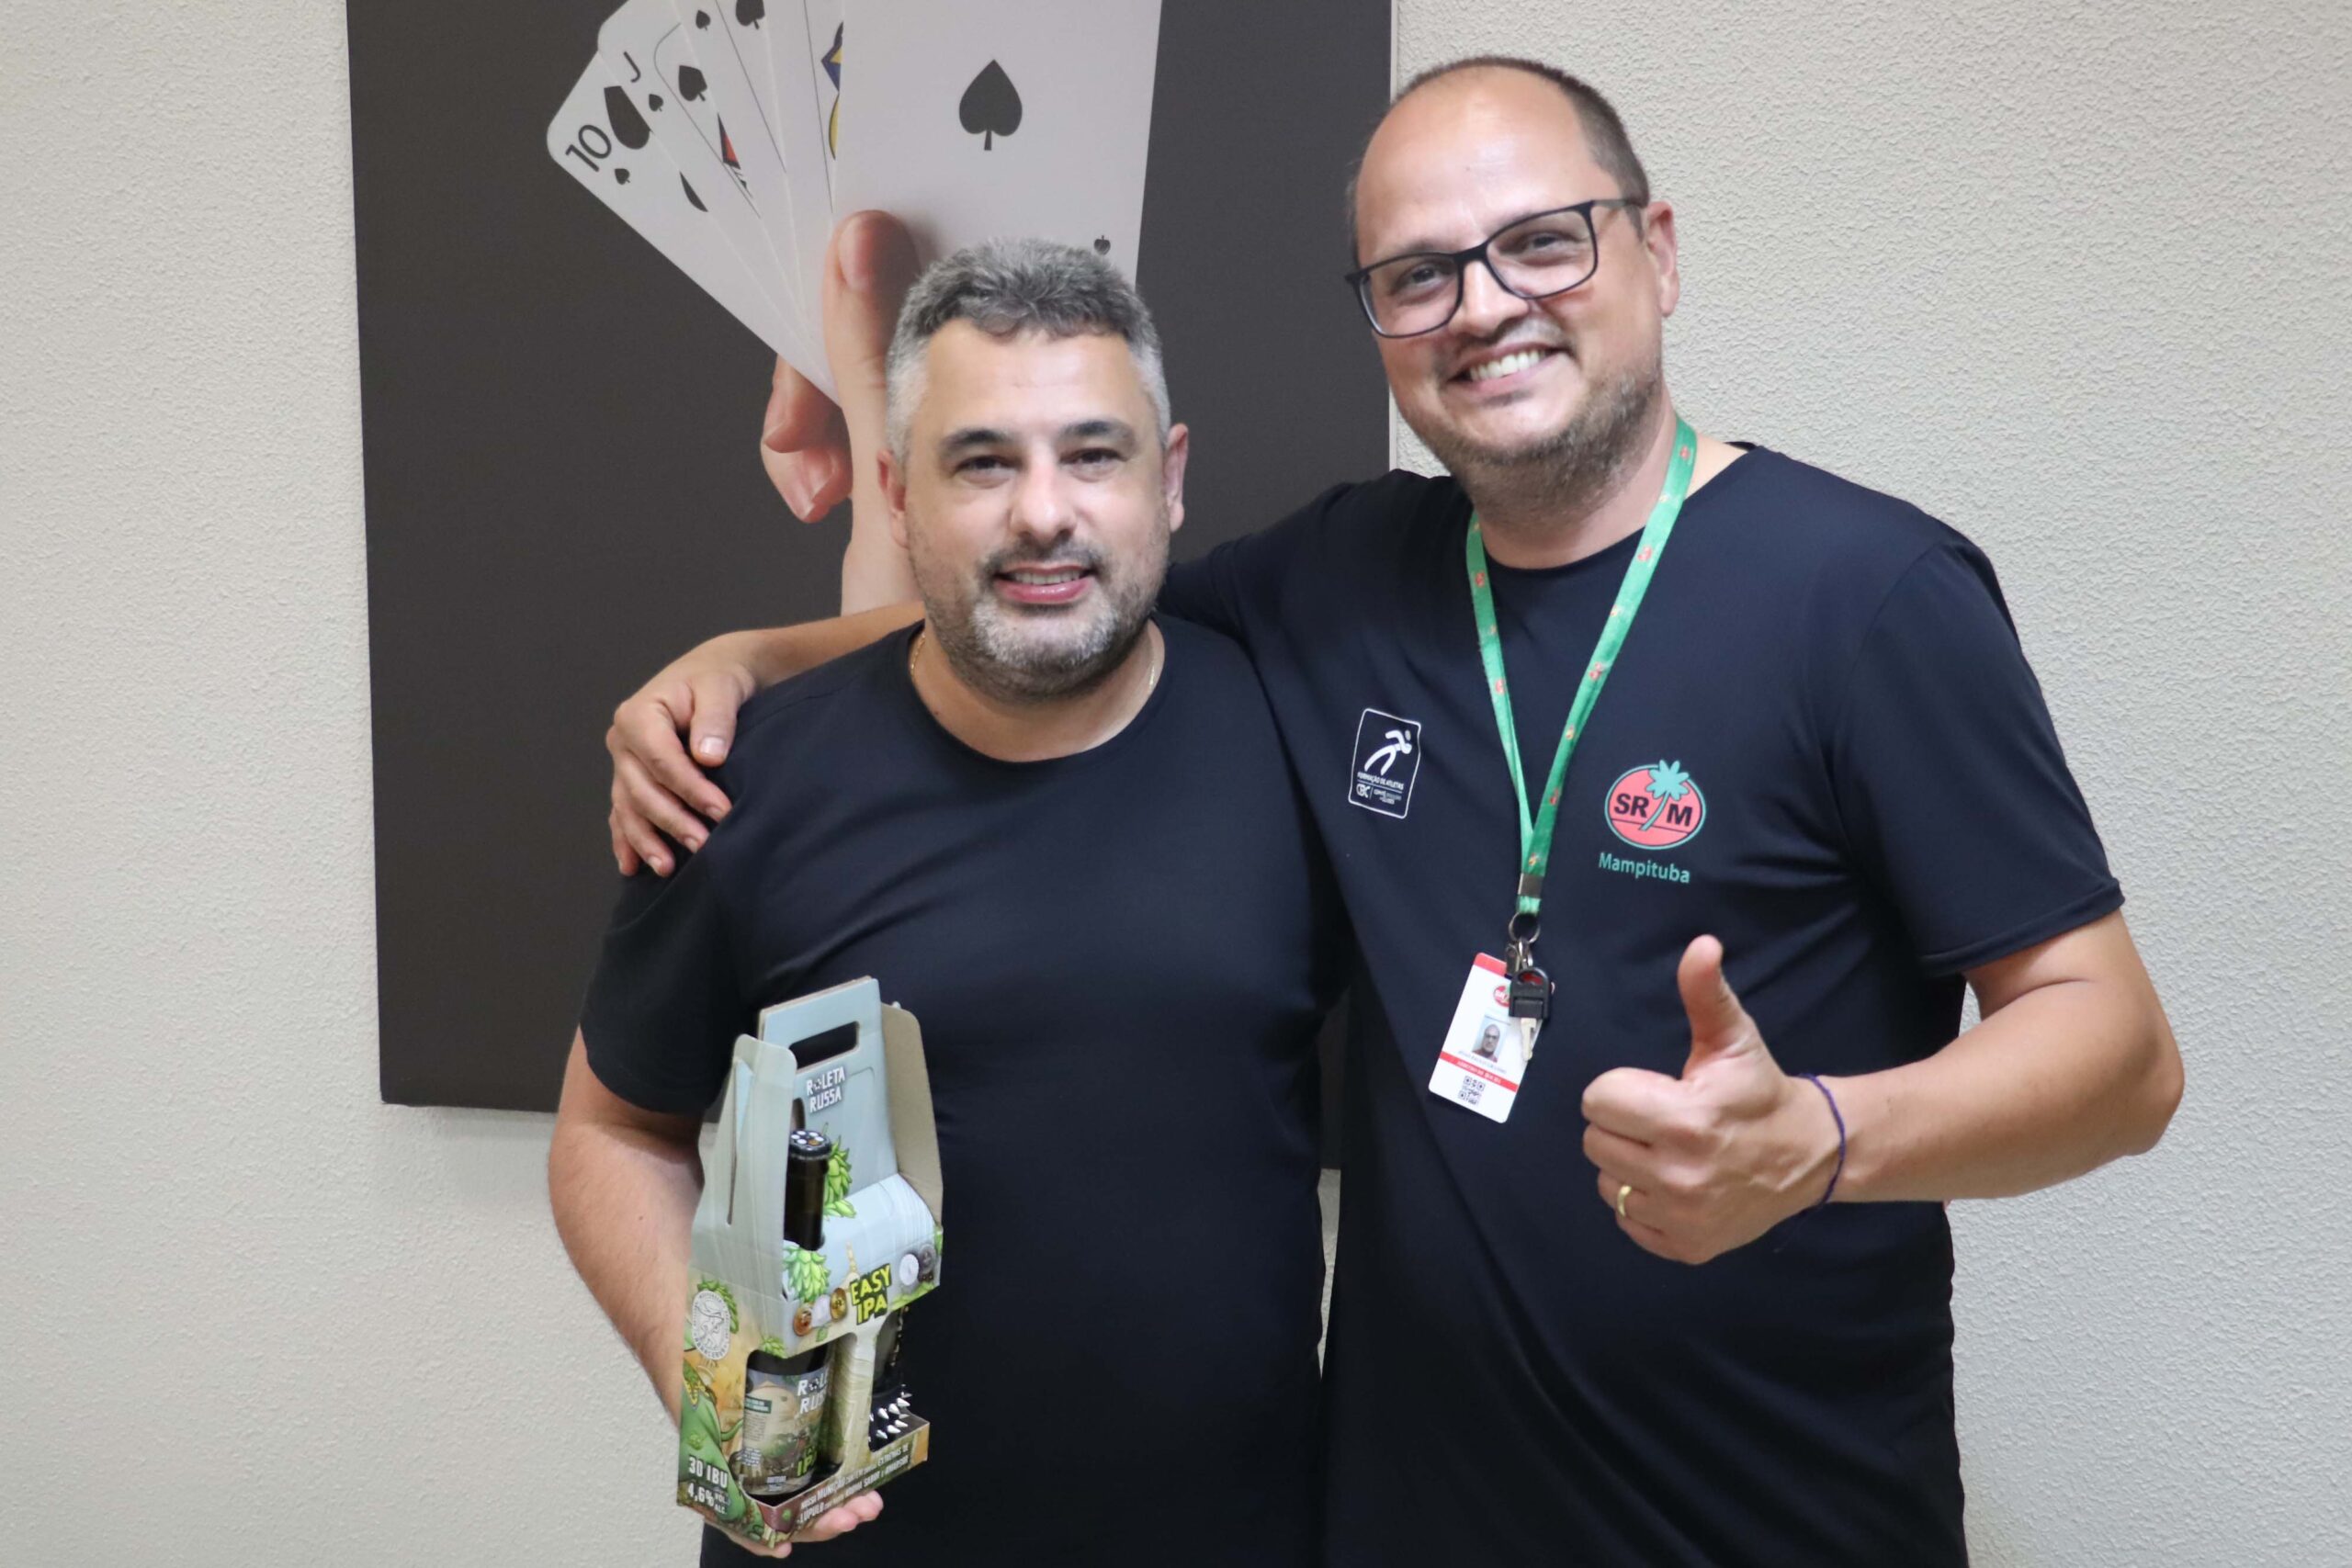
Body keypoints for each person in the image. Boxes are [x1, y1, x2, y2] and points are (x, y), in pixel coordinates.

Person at [601, 57, 2182, 1566]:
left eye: (1542, 242)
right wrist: (750, 661)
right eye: (1419, 274)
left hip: (1766, 1521)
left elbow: (2121, 1056)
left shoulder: (1869, 595)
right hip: (1399, 1528)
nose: (1483, 306)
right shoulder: (1345, 579)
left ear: (1658, 251)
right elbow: (1043, 597)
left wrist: (1825, 1141)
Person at [549, 239, 1340, 1567]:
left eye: (1093, 455)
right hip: (841, 1543)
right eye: (982, 462)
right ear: (895, 493)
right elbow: (613, 1131)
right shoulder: (742, 781)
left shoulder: (1297, 744)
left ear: (1170, 478)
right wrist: (721, 1398)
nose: (1043, 513)